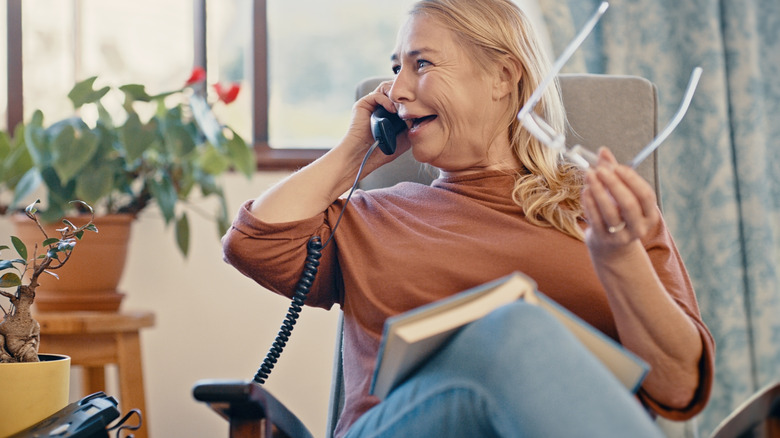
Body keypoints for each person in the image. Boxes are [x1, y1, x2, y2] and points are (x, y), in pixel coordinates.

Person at [223, 0, 715, 436]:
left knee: (521, 333)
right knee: (517, 331)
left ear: (503, 76)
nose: (396, 89)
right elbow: (253, 243)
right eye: (395, 68)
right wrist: (354, 149)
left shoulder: (610, 218)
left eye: (422, 64)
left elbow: (678, 388)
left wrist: (619, 259)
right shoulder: (372, 215)